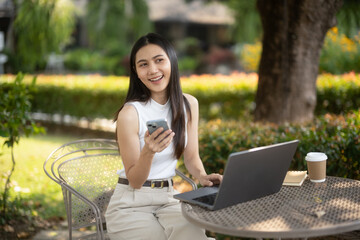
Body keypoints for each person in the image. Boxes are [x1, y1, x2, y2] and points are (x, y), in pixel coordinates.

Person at [105, 33, 222, 240]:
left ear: (172, 61)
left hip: (169, 199)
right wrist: (148, 152)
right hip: (130, 204)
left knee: (195, 236)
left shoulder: (189, 105)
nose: (152, 70)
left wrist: (203, 177)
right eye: (143, 64)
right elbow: (135, 181)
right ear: (136, 72)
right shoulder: (130, 114)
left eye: (159, 60)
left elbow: (192, 157)